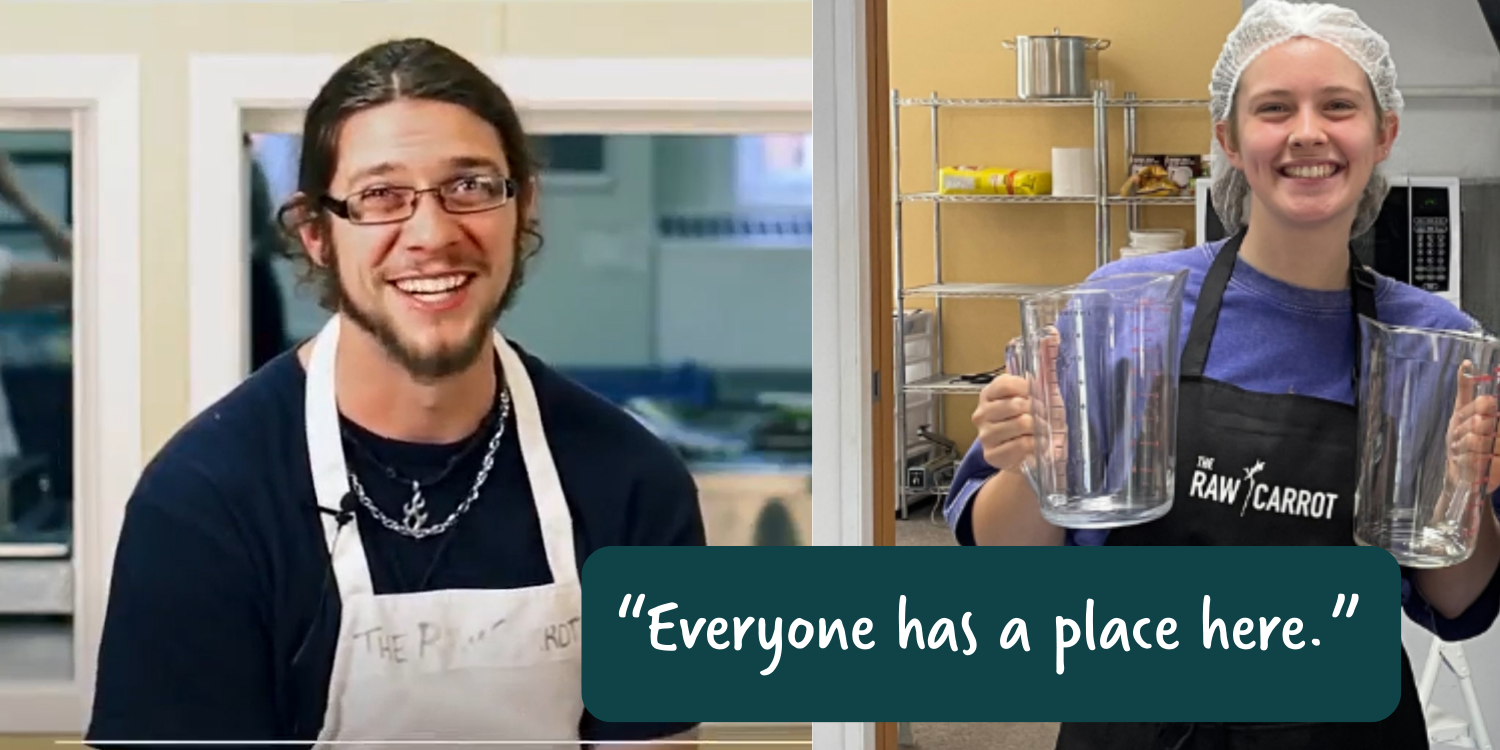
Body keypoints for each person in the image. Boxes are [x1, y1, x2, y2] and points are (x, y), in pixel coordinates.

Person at [87, 38, 706, 747]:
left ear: (523, 205)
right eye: (381, 196)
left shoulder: (634, 484)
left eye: (469, 186)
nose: (433, 234)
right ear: (317, 233)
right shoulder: (204, 501)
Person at [944, 2, 1500, 748]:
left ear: (1384, 132)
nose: (1308, 131)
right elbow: (1012, 565)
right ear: (1228, 139)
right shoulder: (1125, 307)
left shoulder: (1434, 343)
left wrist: (1468, 503)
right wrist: (1027, 462)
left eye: (1338, 105)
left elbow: (1461, 599)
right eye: (1274, 108)